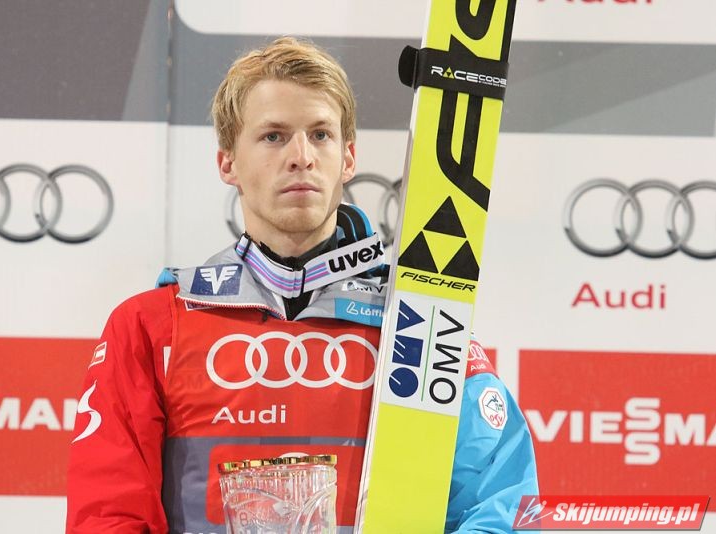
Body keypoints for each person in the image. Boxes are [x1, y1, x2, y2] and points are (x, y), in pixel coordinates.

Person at [66, 36, 538, 534]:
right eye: (273, 136)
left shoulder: (418, 323)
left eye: (320, 135)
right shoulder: (152, 326)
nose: (301, 156)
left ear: (348, 158)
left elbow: (498, 499)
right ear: (227, 162)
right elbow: (108, 514)